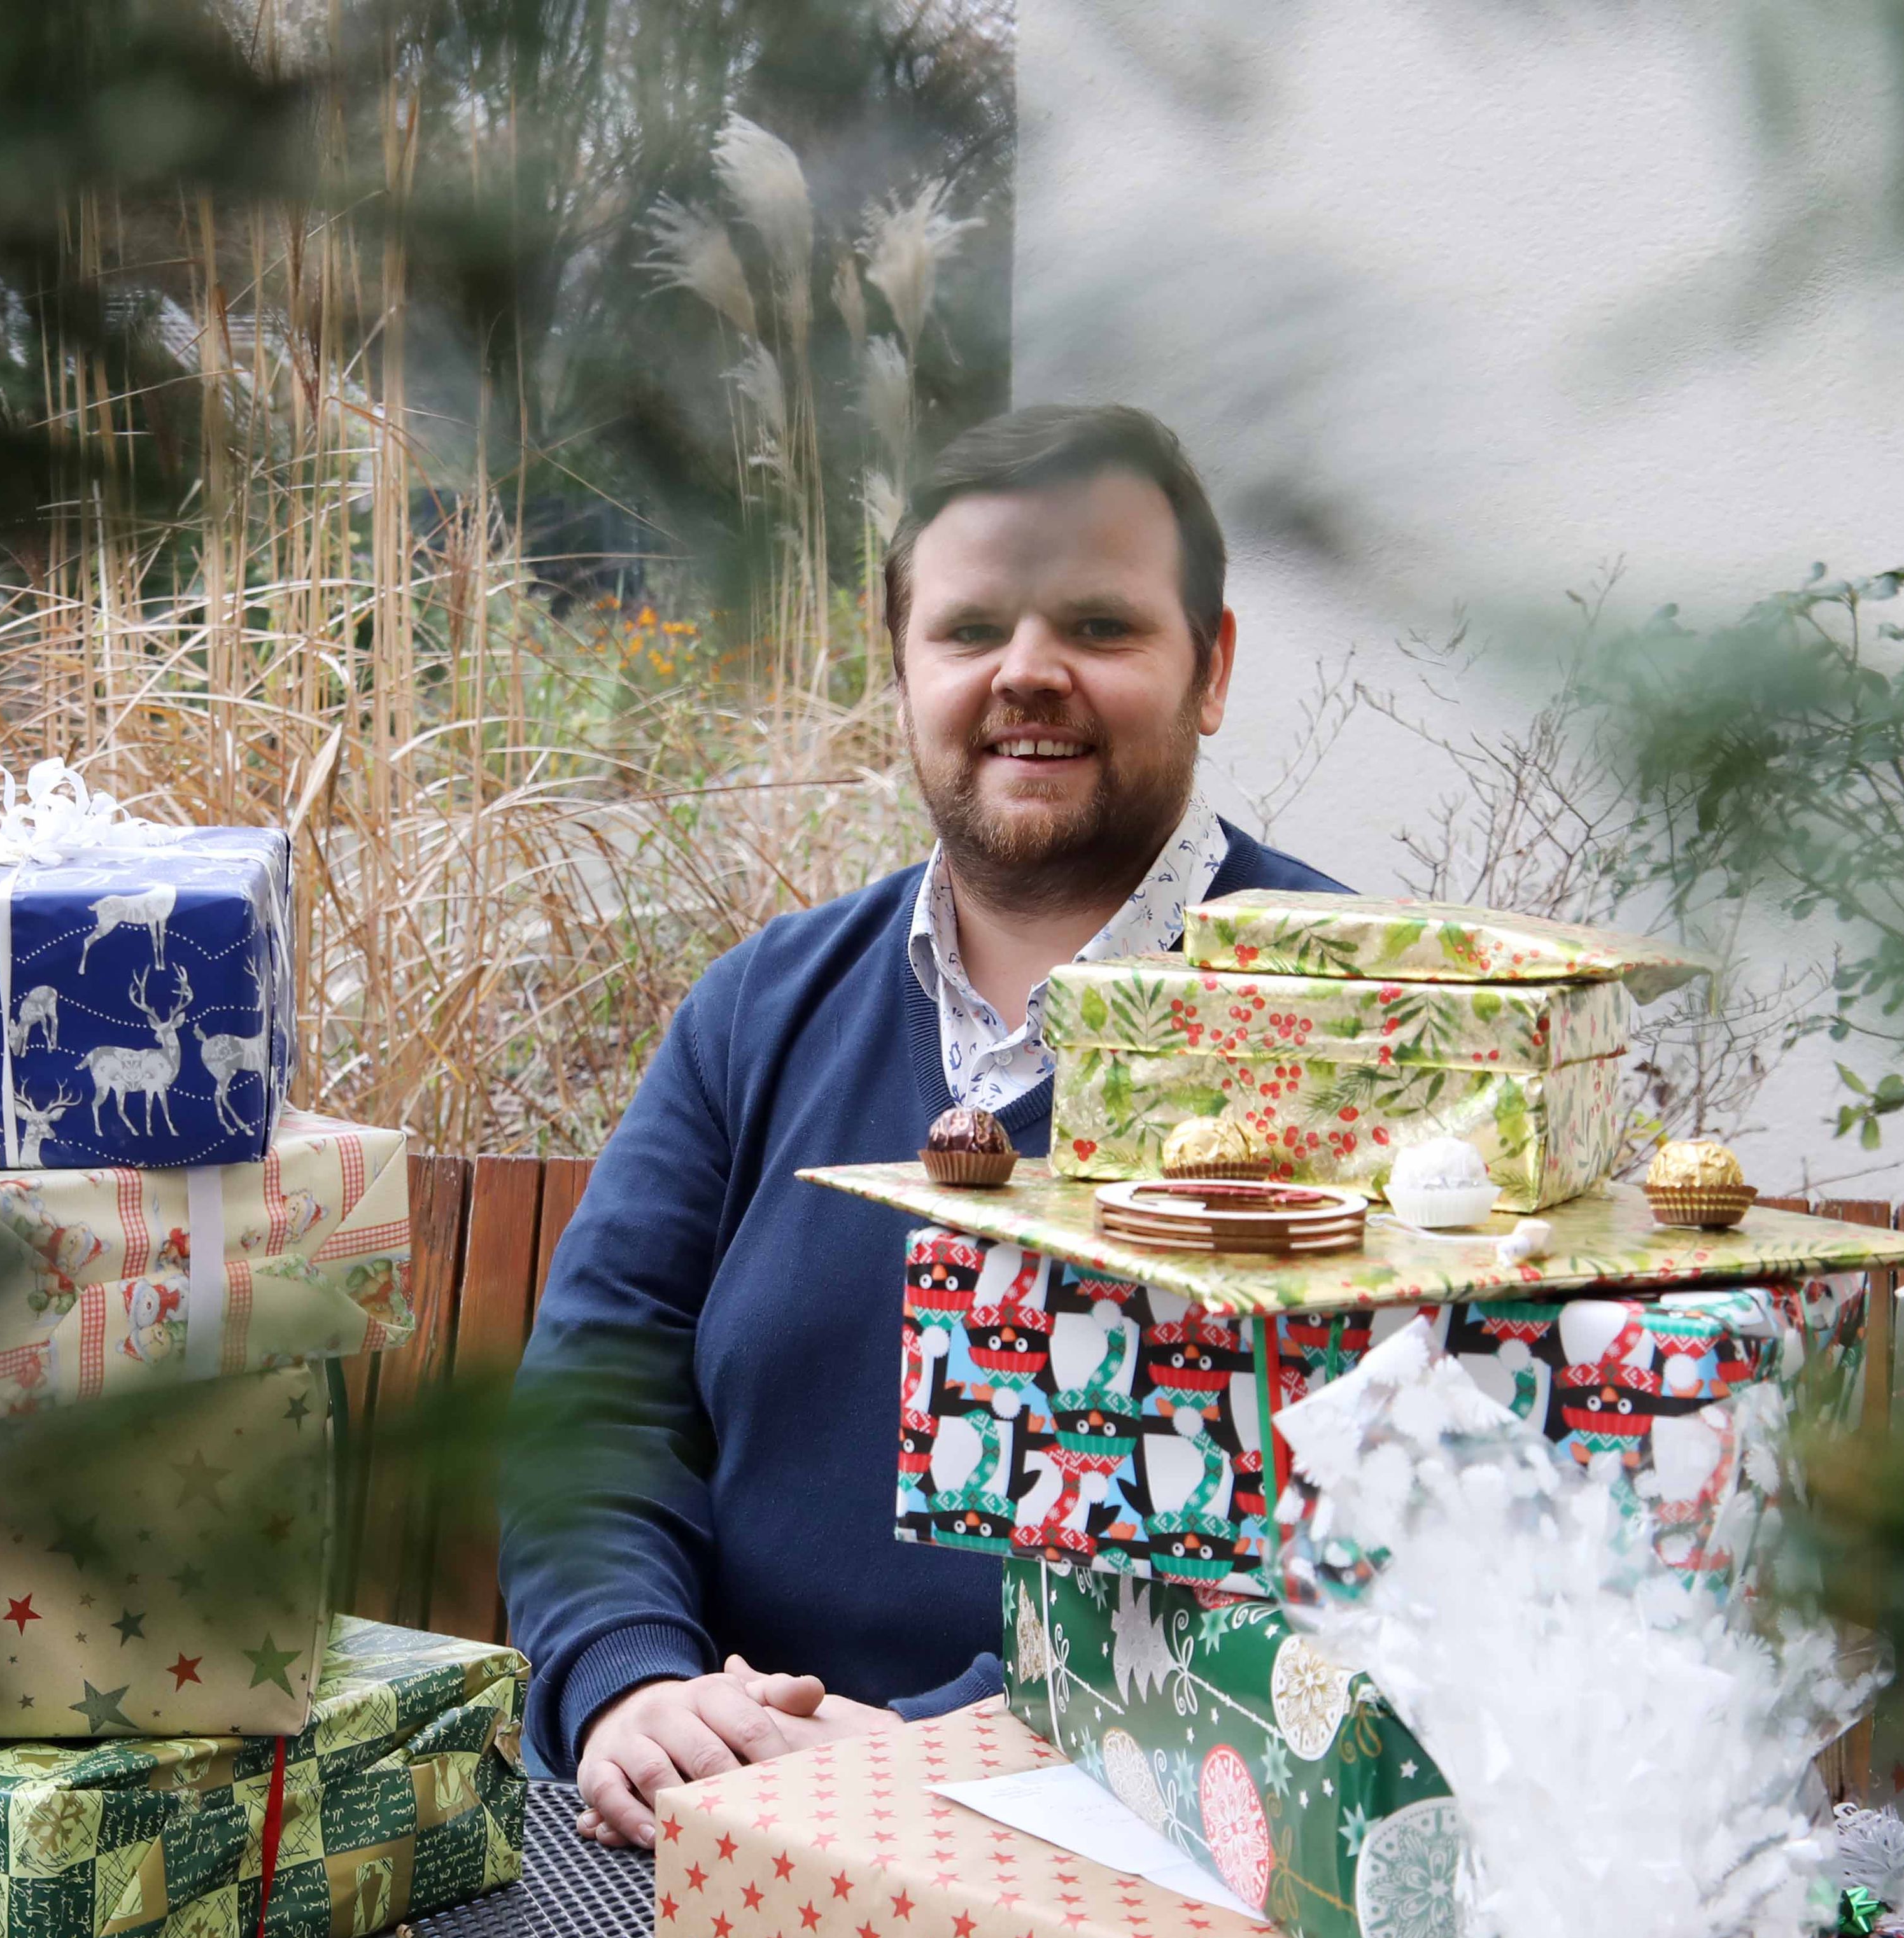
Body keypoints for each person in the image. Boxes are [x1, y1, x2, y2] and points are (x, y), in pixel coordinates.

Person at [500, 403, 1351, 1845]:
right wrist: (635, 1686)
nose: (1029, 673)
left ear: (1210, 667)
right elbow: (600, 1397)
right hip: (709, 1828)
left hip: (1138, 1872)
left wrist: (930, 1750)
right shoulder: (758, 1009)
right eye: (970, 631)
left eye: (1099, 624)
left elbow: (1354, 1526)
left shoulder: (1354, 1031)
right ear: (898, 665)